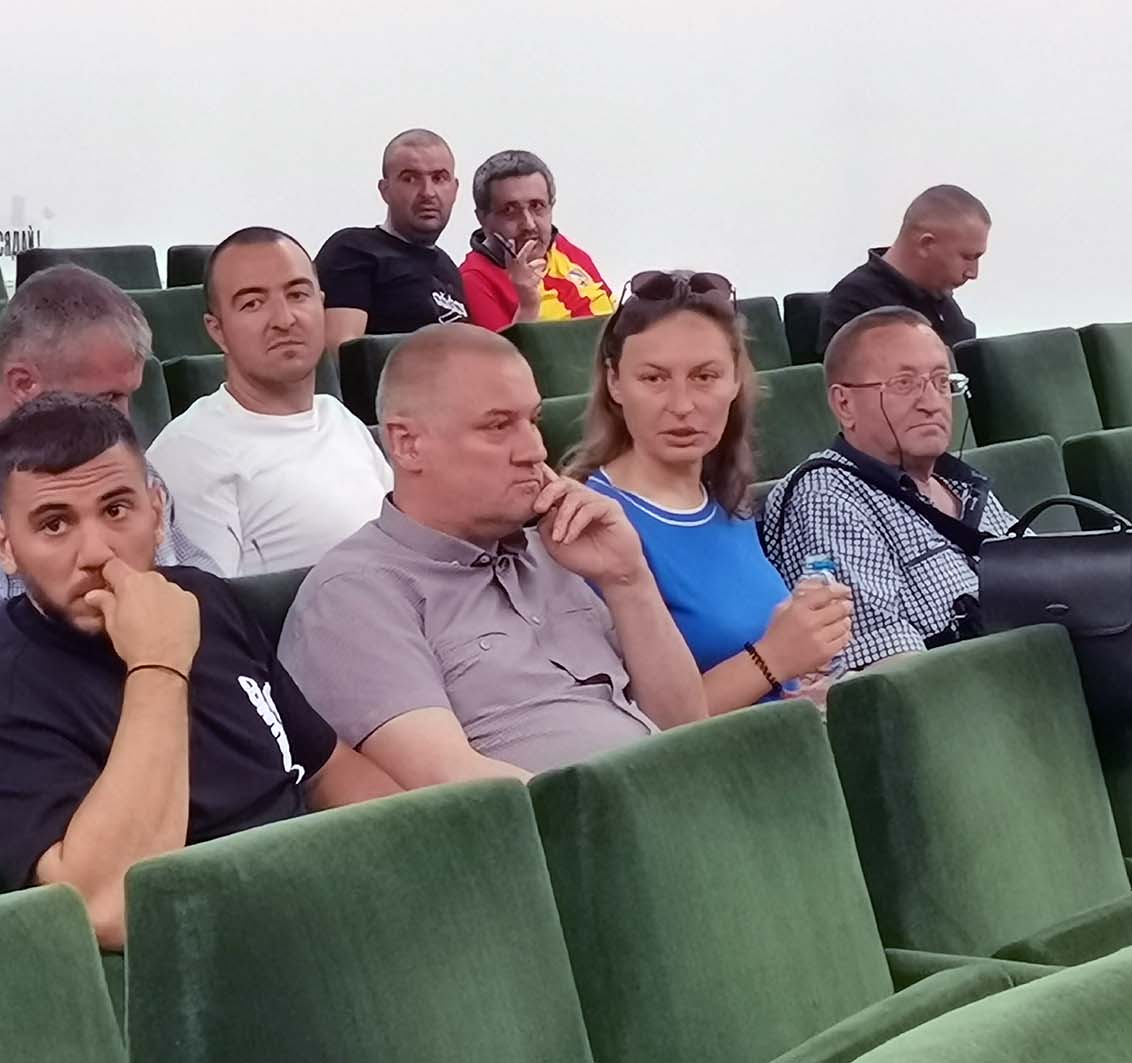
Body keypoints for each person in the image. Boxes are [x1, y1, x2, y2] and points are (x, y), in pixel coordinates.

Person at [0, 394, 401, 950]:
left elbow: (326, 767)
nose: (96, 552)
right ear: (4, 545)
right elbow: (110, 909)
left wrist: (426, 852)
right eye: (54, 524)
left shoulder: (203, 598)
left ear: (156, 514)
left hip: (326, 900)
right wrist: (157, 662)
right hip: (202, 952)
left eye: (116, 511)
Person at [280, 323, 707, 786]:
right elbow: (452, 781)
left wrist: (628, 578)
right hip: (579, 822)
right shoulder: (356, 593)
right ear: (408, 445)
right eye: (498, 426)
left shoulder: (556, 552)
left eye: (533, 421)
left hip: (678, 798)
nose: (535, 449)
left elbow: (688, 729)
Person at [564, 270, 853, 714]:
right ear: (615, 382)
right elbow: (638, 724)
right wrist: (776, 657)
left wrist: (802, 679)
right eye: (654, 378)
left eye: (704, 376)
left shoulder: (725, 500)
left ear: (735, 380)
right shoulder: (591, 525)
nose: (682, 405)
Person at [0, 264, 212, 639]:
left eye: (127, 395)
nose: (123, 418)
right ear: (24, 384)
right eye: (108, 398)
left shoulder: (125, 463)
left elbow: (207, 590)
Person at [763, 306, 1017, 671]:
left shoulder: (964, 486)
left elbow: (1048, 587)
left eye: (941, 382)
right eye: (904, 384)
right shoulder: (827, 496)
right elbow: (886, 667)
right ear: (844, 404)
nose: (931, 403)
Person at [146, 227, 392, 576]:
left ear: (321, 304)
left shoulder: (339, 418)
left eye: (298, 295)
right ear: (217, 330)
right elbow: (213, 603)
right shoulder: (190, 451)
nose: (284, 320)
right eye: (253, 303)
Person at [315, 128, 469, 354]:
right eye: (410, 179)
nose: (428, 192)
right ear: (385, 190)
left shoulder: (448, 268)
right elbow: (342, 355)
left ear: (455, 189)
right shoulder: (353, 250)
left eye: (438, 178)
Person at [818, 185, 990, 353]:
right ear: (926, 244)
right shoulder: (856, 302)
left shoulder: (940, 299)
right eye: (967, 257)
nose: (973, 273)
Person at [458, 149, 615, 331]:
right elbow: (503, 350)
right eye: (509, 210)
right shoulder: (474, 280)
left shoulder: (562, 249)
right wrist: (527, 306)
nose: (529, 224)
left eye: (537, 206)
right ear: (482, 219)